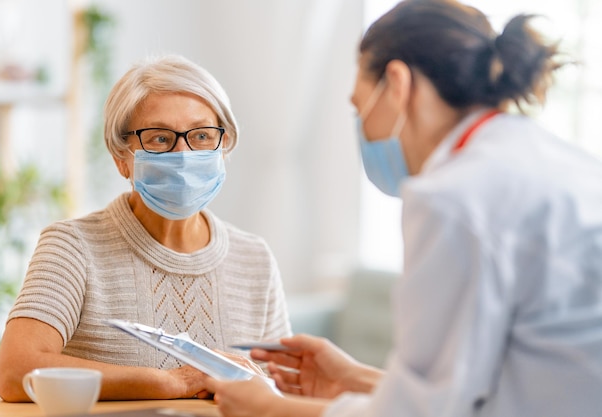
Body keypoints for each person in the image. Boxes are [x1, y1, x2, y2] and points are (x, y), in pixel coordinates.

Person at [206, 0, 602, 416]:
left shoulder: (453, 197)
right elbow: (482, 382)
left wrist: (268, 408)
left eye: (360, 108)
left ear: (397, 83)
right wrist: (354, 378)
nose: (365, 131)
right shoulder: (554, 160)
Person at [0, 54, 292, 402]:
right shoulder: (72, 247)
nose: (183, 154)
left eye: (201, 135)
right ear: (122, 157)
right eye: (160, 139)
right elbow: (16, 372)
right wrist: (173, 382)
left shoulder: (254, 257)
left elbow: (280, 392)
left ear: (223, 146)